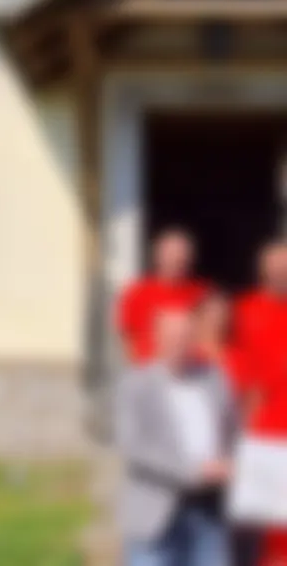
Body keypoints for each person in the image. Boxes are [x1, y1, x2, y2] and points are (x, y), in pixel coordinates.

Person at [113, 307, 234, 566]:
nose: (178, 343)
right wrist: (194, 470)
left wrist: (232, 463)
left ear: (193, 340)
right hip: (155, 514)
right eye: (172, 336)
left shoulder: (214, 378)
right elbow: (133, 447)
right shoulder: (135, 384)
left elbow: (233, 432)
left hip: (208, 512)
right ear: (156, 337)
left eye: (185, 336)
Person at [231, 241, 287, 566]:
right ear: (262, 272)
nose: (281, 274)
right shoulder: (244, 309)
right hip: (260, 433)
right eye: (275, 268)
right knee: (260, 525)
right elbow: (227, 360)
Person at [118, 229, 209, 365]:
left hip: (188, 372)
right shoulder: (137, 292)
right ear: (158, 256)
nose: (177, 260)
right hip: (149, 370)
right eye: (171, 254)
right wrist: (139, 369)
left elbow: (210, 337)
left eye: (182, 256)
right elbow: (127, 337)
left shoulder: (201, 294)